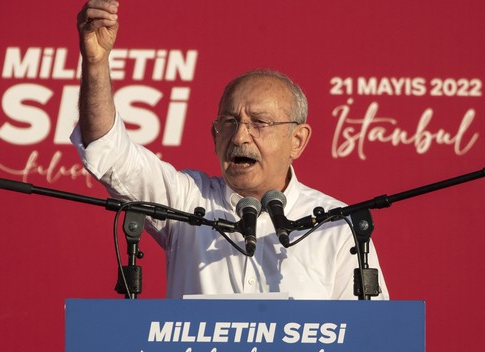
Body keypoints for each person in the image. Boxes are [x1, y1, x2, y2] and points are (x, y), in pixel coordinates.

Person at [73, 0, 389, 300]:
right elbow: (109, 151)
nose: (240, 136)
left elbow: (370, 339)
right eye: (230, 122)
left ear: (298, 140)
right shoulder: (187, 201)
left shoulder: (336, 226)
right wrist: (96, 63)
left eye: (260, 123)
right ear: (214, 135)